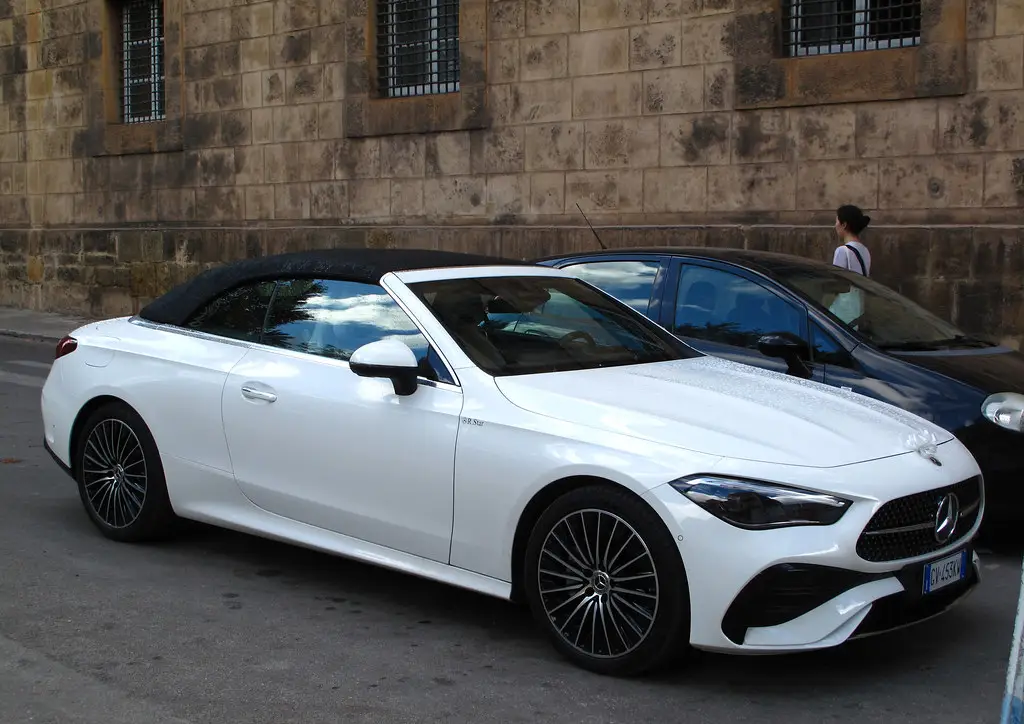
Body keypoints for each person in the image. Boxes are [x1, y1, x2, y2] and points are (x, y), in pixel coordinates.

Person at [832, 204, 871, 277]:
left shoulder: (842, 250)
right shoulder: (865, 250)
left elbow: (837, 281)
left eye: (836, 221)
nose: (835, 225)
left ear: (844, 225)